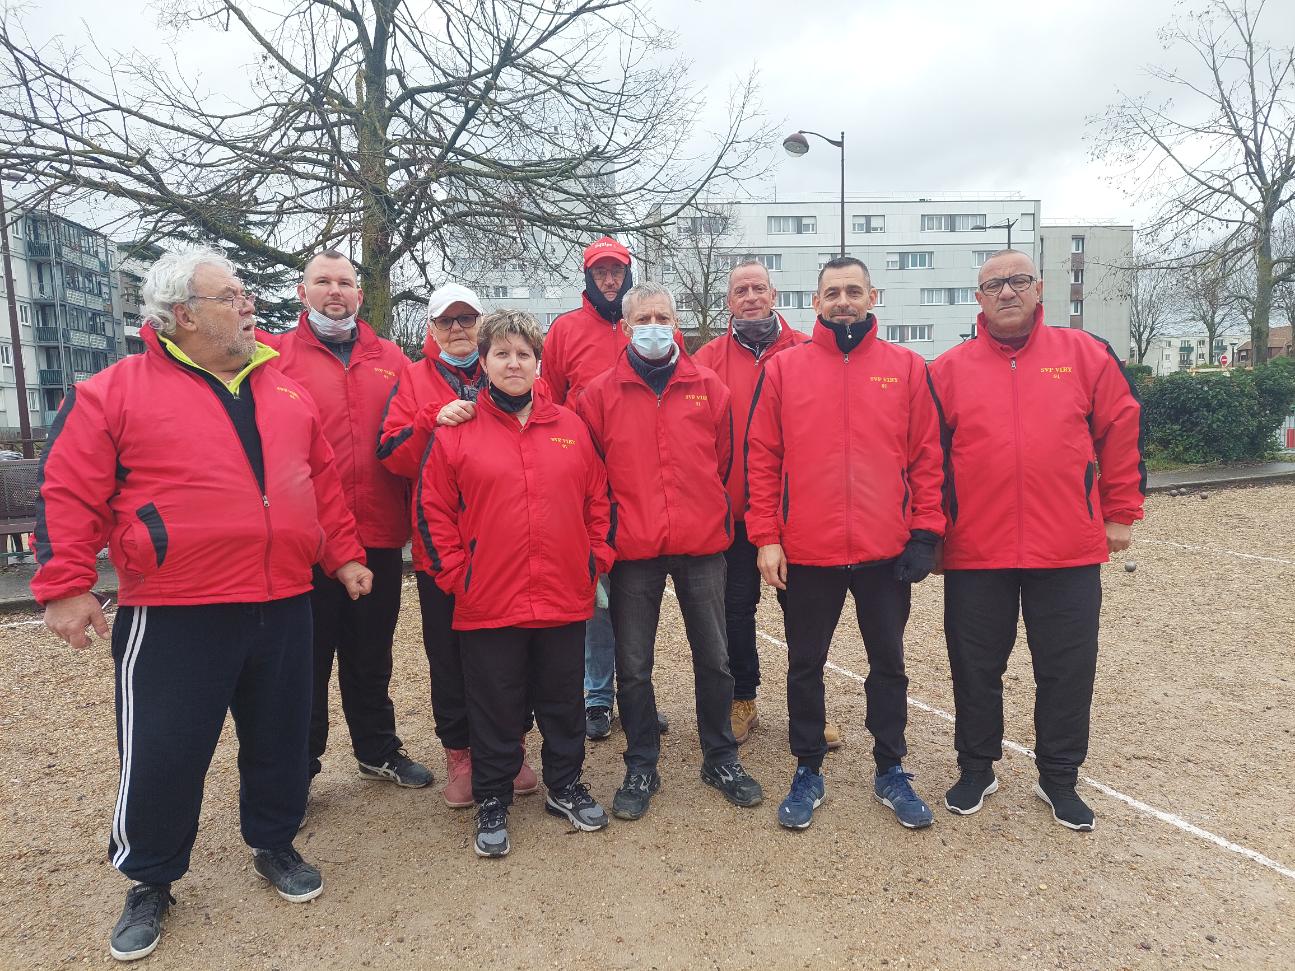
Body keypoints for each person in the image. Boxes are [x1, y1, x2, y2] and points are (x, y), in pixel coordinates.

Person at [32, 249, 371, 962]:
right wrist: (65, 583)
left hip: (282, 597)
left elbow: (320, 480)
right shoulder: (114, 391)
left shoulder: (281, 385)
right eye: (233, 295)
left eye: (246, 294)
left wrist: (341, 552)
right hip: (176, 607)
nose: (249, 305)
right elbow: (68, 488)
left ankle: (274, 841)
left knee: (280, 734)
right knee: (164, 748)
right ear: (182, 313)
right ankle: (151, 877)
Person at [928, 249, 1144, 832]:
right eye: (993, 284)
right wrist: (932, 529)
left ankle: (1059, 777)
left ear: (1039, 288)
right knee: (975, 667)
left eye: (1018, 281)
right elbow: (927, 459)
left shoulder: (1084, 355)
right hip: (977, 548)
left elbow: (1120, 429)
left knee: (1067, 668)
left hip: (1067, 546)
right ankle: (977, 767)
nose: (1006, 292)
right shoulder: (948, 370)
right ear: (978, 297)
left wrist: (1121, 511)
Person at [746, 256, 944, 831]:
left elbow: (927, 455)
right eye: (832, 292)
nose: (843, 301)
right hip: (809, 551)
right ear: (815, 303)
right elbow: (763, 459)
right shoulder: (784, 370)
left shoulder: (905, 367)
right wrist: (767, 538)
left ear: (872, 296)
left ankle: (891, 767)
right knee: (805, 664)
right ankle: (807, 766)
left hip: (885, 551)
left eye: (853, 291)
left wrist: (925, 532)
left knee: (889, 664)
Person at [418, 310, 612, 857]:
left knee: (562, 702)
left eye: (523, 354)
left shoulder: (571, 428)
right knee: (495, 704)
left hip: (562, 595)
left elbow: (600, 501)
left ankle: (566, 785)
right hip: (488, 599)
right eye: (501, 354)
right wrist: (460, 576)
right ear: (483, 363)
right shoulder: (457, 431)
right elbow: (432, 512)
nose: (513, 363)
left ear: (537, 363)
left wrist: (595, 559)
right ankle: (493, 795)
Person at [575, 282, 763, 820]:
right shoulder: (599, 395)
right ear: (628, 327)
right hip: (634, 550)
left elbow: (723, 462)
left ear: (675, 322)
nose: (653, 324)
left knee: (716, 659)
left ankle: (719, 755)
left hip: (703, 546)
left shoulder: (710, 388)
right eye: (643, 317)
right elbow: (592, 476)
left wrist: (707, 511)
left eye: (662, 315)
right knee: (633, 666)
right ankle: (641, 762)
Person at [268, 250, 432, 791]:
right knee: (307, 662)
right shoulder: (275, 357)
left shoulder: (391, 358)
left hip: (379, 530)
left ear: (360, 295)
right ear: (303, 292)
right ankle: (302, 764)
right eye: (323, 282)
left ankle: (377, 748)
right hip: (307, 538)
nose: (334, 292)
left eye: (344, 283)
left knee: (371, 654)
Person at [377, 283, 538, 806]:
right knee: (449, 656)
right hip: (441, 549)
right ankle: (462, 754)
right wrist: (431, 419)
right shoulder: (416, 378)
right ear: (432, 328)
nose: (457, 329)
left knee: (512, 653)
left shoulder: (510, 368)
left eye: (466, 319)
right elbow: (391, 454)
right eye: (447, 321)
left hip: (507, 546)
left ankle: (511, 745)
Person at [694, 257, 849, 749]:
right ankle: (743, 698)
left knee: (803, 615)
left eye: (758, 287)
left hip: (799, 515)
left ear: (775, 295)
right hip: (735, 515)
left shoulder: (808, 349)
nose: (751, 297)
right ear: (728, 303)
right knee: (736, 612)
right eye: (740, 290)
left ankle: (809, 707)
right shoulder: (708, 359)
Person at [543, 236, 668, 741]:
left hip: (639, 483)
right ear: (589, 277)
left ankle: (638, 693)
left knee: (638, 602)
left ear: (628, 273)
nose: (610, 280)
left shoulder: (647, 326)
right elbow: (547, 395)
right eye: (601, 273)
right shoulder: (566, 331)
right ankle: (595, 695)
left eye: (617, 271)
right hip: (584, 481)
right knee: (596, 596)